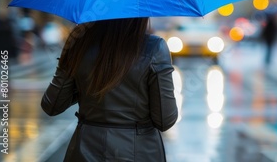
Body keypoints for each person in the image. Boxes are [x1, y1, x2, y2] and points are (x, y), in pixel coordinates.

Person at [41, 18, 178, 161]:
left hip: (85, 150)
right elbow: (165, 119)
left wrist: (75, 72)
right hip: (139, 151)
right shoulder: (154, 48)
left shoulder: (78, 45)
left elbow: (52, 105)